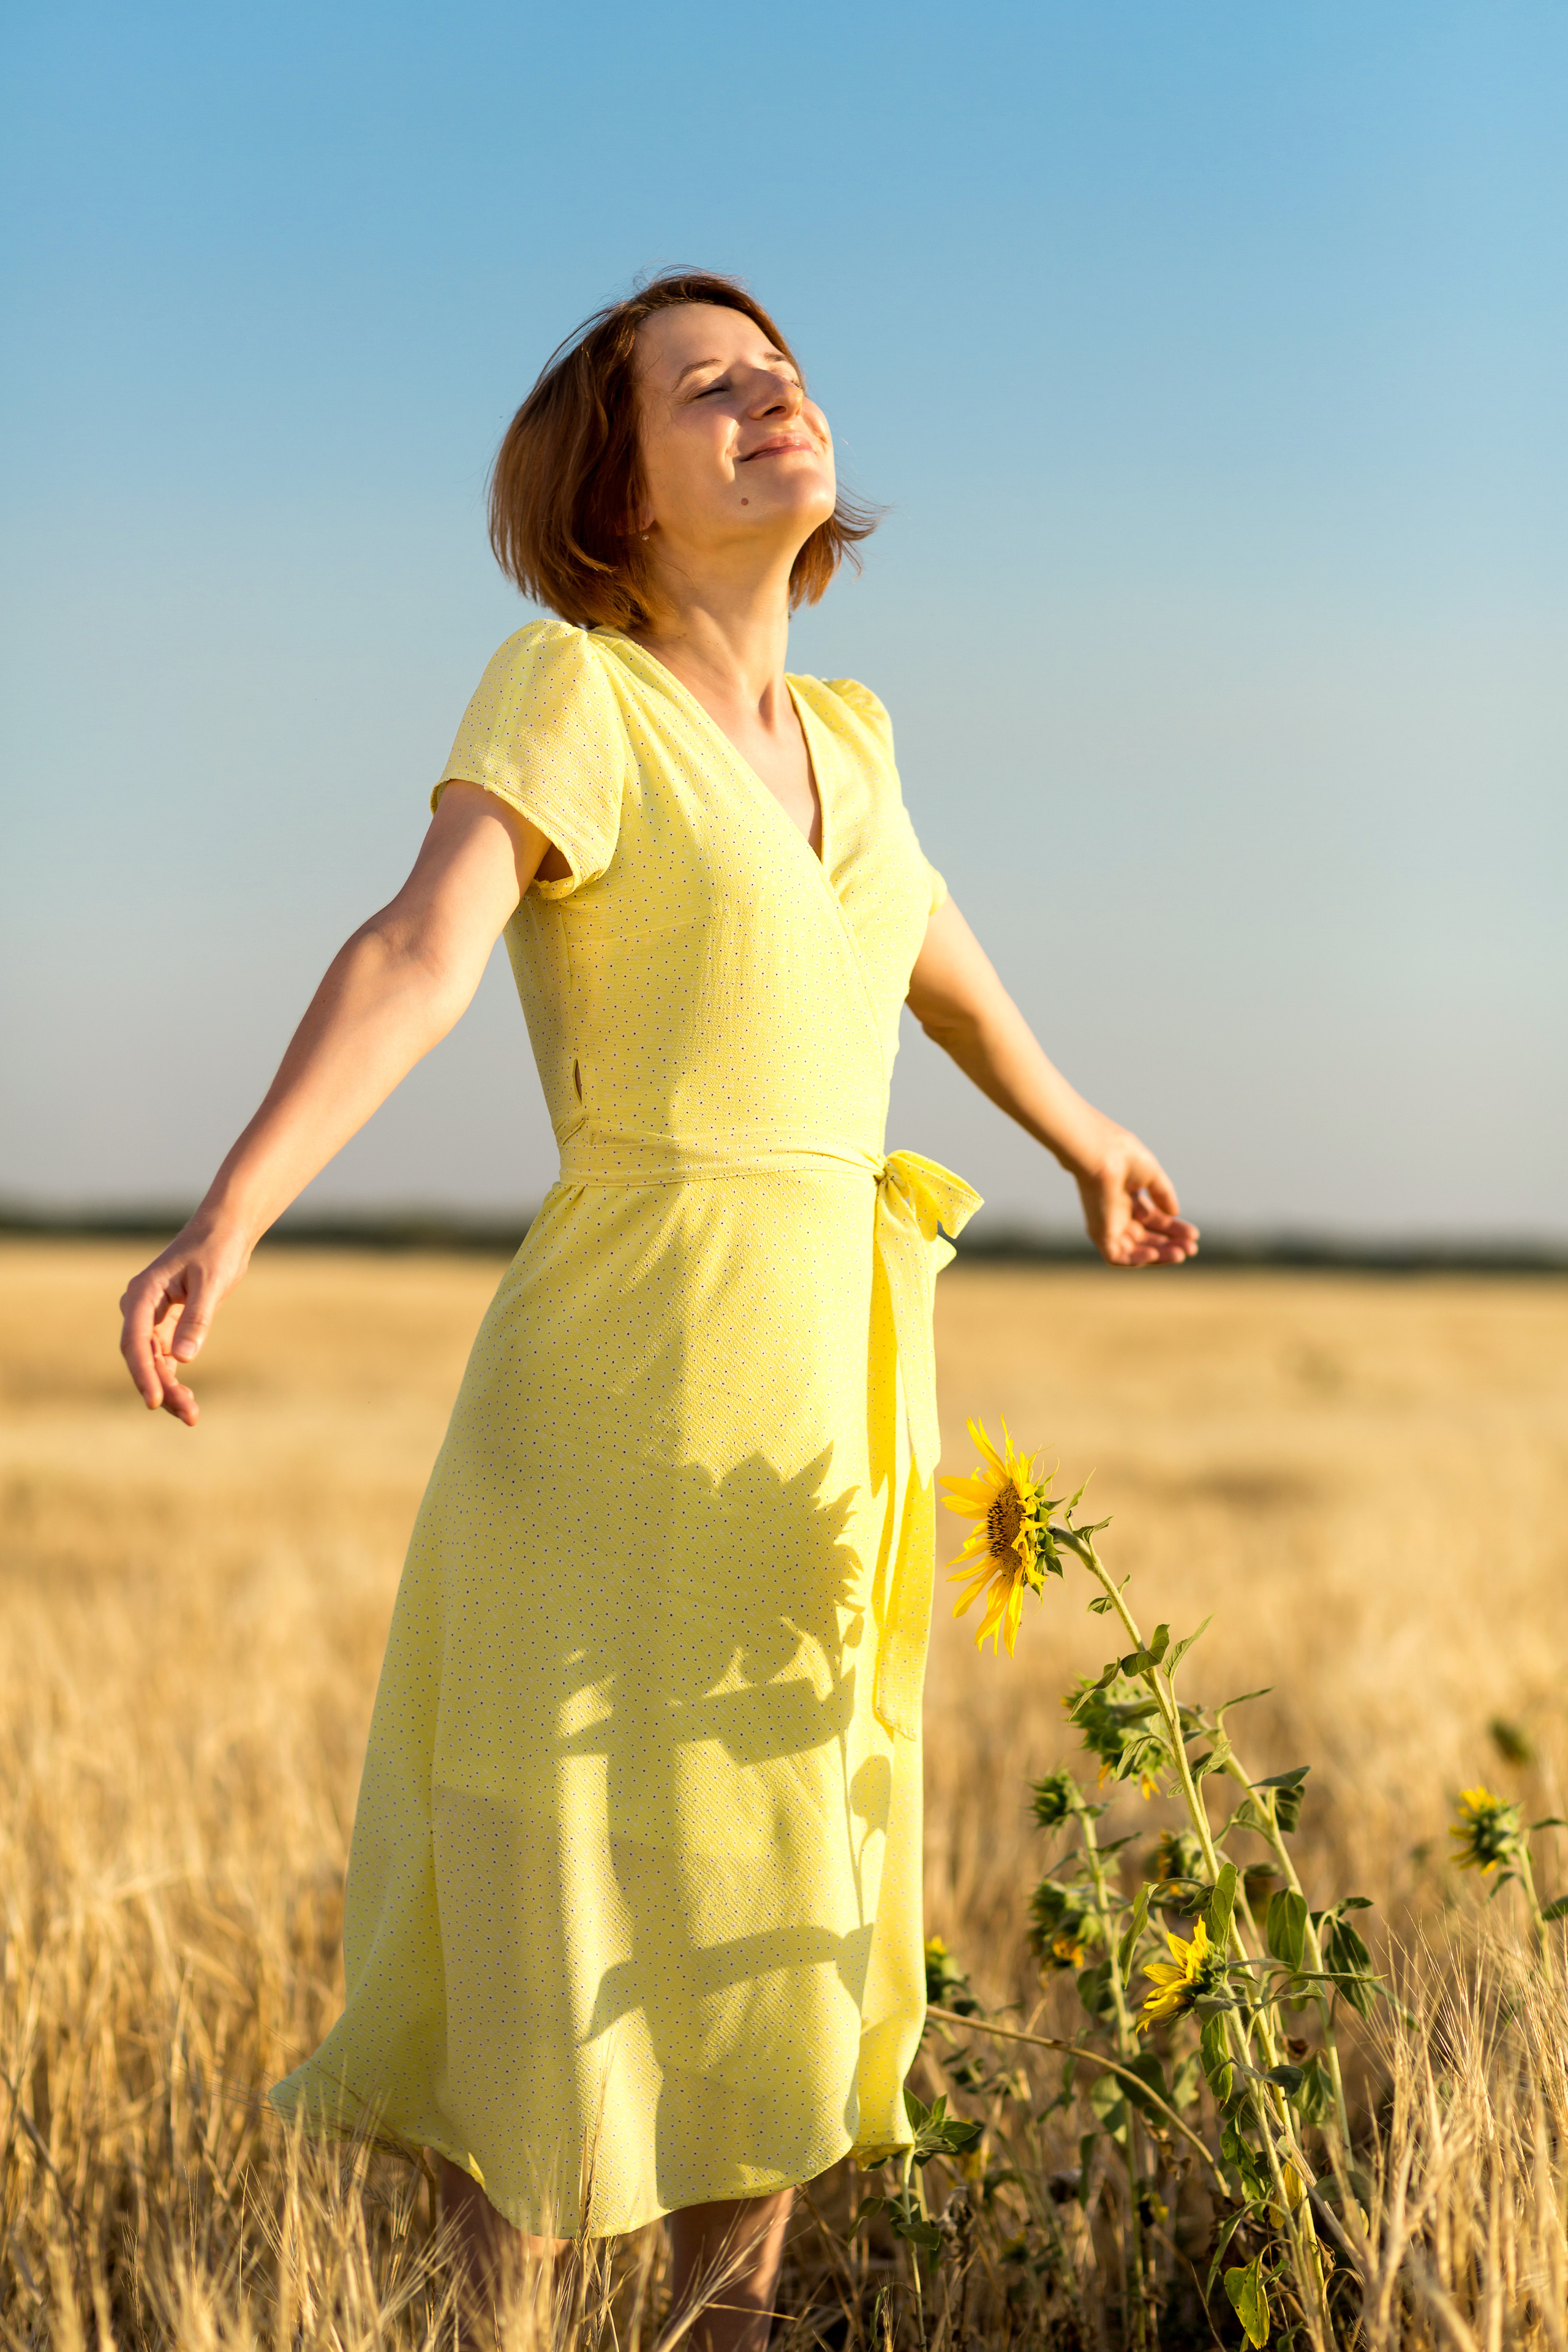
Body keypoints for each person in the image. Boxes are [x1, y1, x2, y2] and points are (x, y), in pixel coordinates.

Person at [118, 271, 1198, 2348]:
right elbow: (421, 950)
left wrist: (1081, 1130)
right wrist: (235, 1207)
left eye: (780, 371)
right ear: (614, 491)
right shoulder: (570, 693)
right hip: (617, 1375)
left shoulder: (858, 743)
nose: (767, 396)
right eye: (705, 386)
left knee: (787, 1884)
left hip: (823, 1404)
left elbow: (934, 959)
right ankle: (493, 2321)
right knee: (547, 1871)